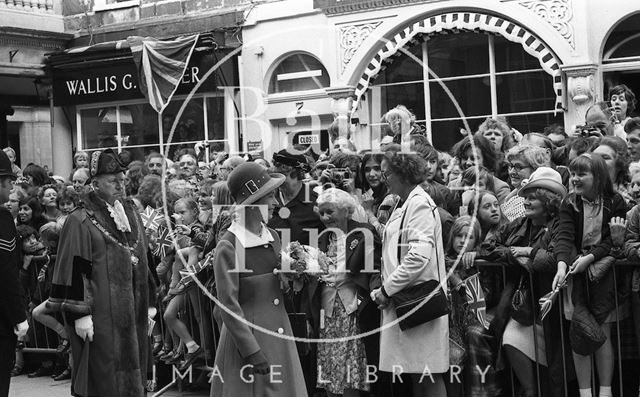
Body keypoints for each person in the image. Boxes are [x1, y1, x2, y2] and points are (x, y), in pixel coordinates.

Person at [46, 148, 150, 397]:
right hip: (102, 315)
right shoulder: (80, 219)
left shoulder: (131, 212)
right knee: (104, 377)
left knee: (136, 374)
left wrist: (150, 301)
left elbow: (143, 257)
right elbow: (73, 267)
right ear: (95, 183)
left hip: (134, 311)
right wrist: (79, 313)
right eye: (113, 181)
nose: (120, 185)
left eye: (122, 180)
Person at [210, 162, 307, 397]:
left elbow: (279, 287)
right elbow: (227, 306)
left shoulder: (272, 235)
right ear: (253, 204)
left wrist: (292, 278)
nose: (275, 202)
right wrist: (251, 351)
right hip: (250, 344)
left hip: (280, 339)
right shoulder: (229, 245)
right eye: (270, 196)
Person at [370, 147, 448, 397]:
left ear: (403, 174)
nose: (383, 179)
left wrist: (386, 290)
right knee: (417, 374)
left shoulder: (419, 203)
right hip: (408, 300)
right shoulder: (404, 203)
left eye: (386, 174)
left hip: (417, 300)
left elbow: (419, 256)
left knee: (428, 374)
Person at [553, 153, 627, 397]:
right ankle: (585, 393)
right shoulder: (568, 202)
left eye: (581, 173)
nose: (574, 178)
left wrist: (591, 257)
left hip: (602, 275)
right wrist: (562, 266)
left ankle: (605, 392)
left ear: (598, 176)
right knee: (580, 333)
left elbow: (611, 239)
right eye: (573, 173)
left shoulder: (616, 201)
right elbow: (563, 236)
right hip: (574, 275)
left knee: (602, 334)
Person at [309, 188, 382, 397]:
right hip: (326, 314)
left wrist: (377, 289)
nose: (324, 218)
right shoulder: (321, 238)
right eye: (321, 213)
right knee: (330, 372)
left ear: (346, 211)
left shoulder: (363, 232)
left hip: (352, 311)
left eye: (329, 212)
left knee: (351, 374)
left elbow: (375, 268)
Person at [0, 149, 28, 397]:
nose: (11, 187)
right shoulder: (2, 219)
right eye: (8, 181)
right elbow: (6, 273)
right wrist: (19, 316)